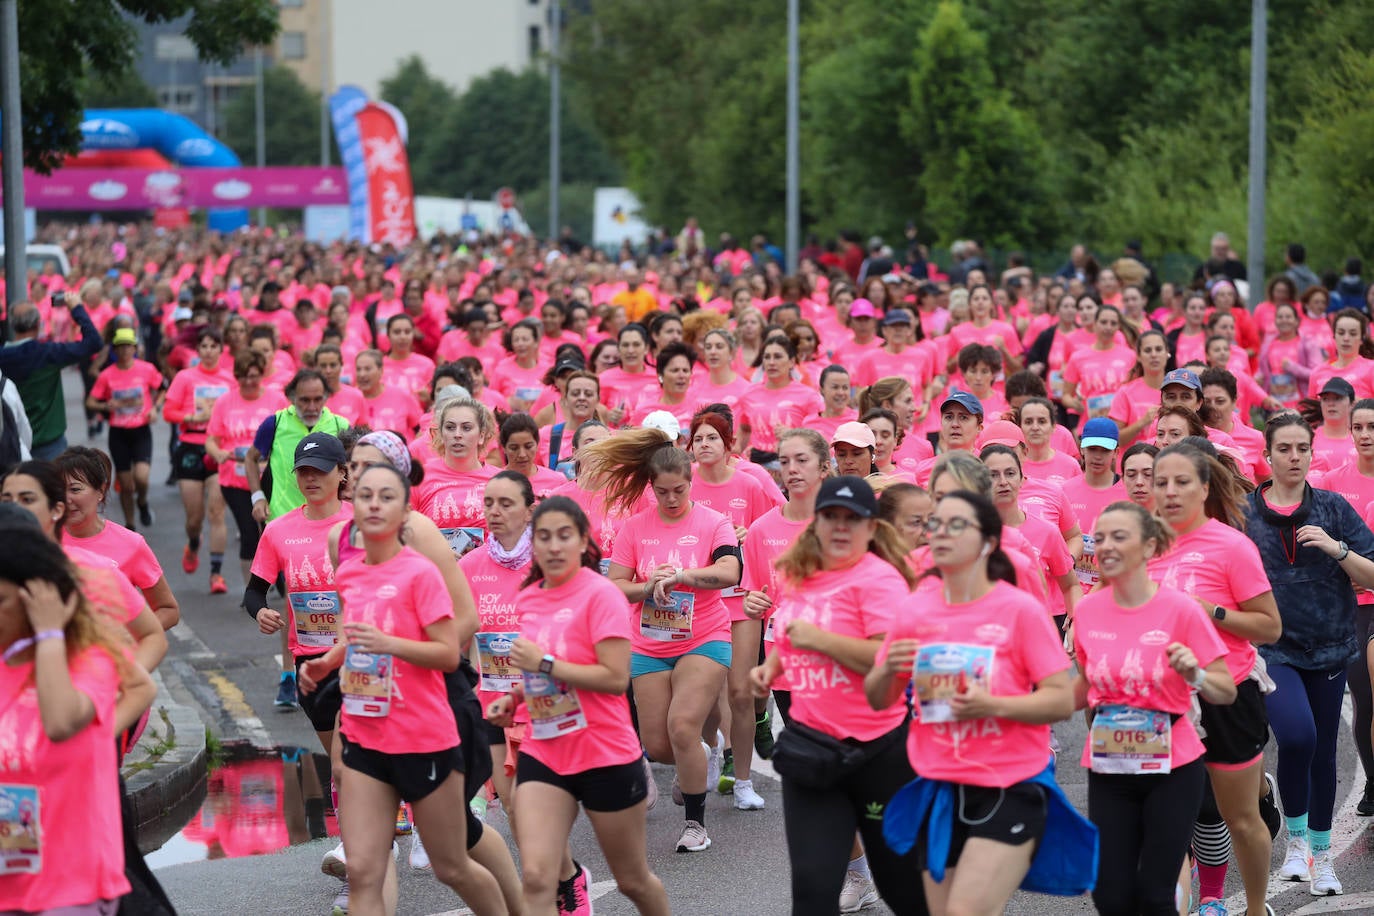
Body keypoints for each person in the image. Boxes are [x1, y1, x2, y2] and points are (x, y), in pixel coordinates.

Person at [298, 464, 509, 916]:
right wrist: (326, 663)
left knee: (452, 866)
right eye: (366, 495)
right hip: (364, 736)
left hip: (422, 739)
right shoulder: (350, 570)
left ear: (404, 511)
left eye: (386, 496)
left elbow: (448, 653)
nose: (374, 504)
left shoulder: (420, 572)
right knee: (365, 875)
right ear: (351, 504)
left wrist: (390, 644)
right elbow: (354, 636)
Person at [865, 489, 1077, 916]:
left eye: (956, 525)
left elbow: (1060, 700)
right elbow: (877, 697)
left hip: (1010, 785)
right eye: (935, 524)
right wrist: (890, 670)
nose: (940, 533)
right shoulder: (915, 609)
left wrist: (994, 706)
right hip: (939, 788)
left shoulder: (1018, 609)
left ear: (988, 541)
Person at [486, 496, 673, 916]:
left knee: (633, 881)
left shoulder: (601, 595)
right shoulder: (529, 596)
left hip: (603, 752)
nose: (553, 546)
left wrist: (545, 663)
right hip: (545, 748)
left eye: (563, 536)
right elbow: (539, 674)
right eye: (544, 537)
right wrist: (513, 698)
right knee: (537, 876)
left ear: (584, 541)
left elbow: (613, 678)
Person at [749, 475, 926, 916]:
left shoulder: (880, 580)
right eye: (831, 516)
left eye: (853, 518)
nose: (841, 527)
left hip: (878, 755)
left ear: (871, 528)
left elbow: (889, 659)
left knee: (903, 889)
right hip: (813, 749)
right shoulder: (800, 573)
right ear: (817, 522)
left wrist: (819, 640)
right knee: (811, 891)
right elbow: (790, 635)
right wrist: (770, 669)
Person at [1072, 501, 1233, 916]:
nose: (1106, 546)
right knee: (1110, 896)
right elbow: (1083, 687)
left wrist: (1195, 673)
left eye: (1119, 536)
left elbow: (1225, 690)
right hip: (1109, 765)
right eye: (1101, 537)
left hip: (1173, 768)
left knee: (1155, 896)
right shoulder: (1087, 610)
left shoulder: (1180, 609)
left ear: (1148, 547)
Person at [592, 428, 742, 853]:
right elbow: (615, 585)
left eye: (678, 490)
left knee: (681, 726)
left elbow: (730, 573)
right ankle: (702, 752)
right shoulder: (635, 527)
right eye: (662, 492)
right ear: (651, 489)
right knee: (658, 746)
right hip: (650, 642)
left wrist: (683, 576)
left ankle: (695, 824)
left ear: (691, 482)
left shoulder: (714, 522)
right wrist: (646, 586)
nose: (671, 499)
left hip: (705, 637)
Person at [1150, 442, 1282, 916]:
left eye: (1182, 482)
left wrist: (1212, 612)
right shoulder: (1141, 546)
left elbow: (1269, 627)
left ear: (1205, 487)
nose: (1169, 492)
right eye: (1160, 482)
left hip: (1228, 694)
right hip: (1160, 702)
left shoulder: (1231, 546)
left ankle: (1254, 907)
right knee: (1163, 822)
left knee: (1240, 818)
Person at [1244, 413, 1374, 896]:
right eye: (1285, 449)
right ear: (1268, 454)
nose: (1294, 457)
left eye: (1302, 448)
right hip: (1273, 646)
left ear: (1312, 453)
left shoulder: (1334, 508)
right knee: (1297, 737)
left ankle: (1320, 856)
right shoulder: (1245, 514)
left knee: (1321, 750)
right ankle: (1295, 841)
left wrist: (1338, 550)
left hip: (1330, 645)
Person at [0, 529, 157, 915]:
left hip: (71, 888)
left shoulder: (89, 662)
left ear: (40, 600)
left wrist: (50, 634)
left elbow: (60, 721)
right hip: (10, 878)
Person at [243, 431, 355, 910]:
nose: (310, 479)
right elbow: (253, 591)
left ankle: (355, 852)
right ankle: (375, 827)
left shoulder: (361, 522)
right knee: (340, 759)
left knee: (350, 761)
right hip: (310, 662)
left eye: (320, 471)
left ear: (342, 474)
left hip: (362, 658)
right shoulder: (280, 530)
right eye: (303, 472)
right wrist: (261, 612)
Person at [687, 410, 781, 806]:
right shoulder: (684, 483)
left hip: (741, 598)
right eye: (699, 438)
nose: (705, 444)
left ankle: (742, 781)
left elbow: (773, 525)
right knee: (706, 695)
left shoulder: (750, 481)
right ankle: (710, 748)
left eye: (713, 438)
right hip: (698, 600)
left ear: (729, 446)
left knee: (740, 692)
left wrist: (749, 532)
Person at [55, 446, 180, 631]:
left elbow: (168, 609)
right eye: (59, 490)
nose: (66, 499)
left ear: (101, 491)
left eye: (75, 489)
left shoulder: (131, 544)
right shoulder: (42, 540)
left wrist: (130, 639)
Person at [206, 351, 289, 590]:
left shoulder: (277, 400)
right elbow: (211, 439)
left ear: (261, 374)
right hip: (234, 480)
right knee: (249, 532)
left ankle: (282, 580)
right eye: (243, 377)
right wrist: (217, 452)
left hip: (271, 478)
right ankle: (251, 589)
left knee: (273, 532)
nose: (249, 381)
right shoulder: (224, 402)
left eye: (253, 376)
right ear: (236, 377)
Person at [162, 326, 235, 583]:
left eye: (213, 346)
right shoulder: (185, 377)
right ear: (198, 350)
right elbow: (168, 412)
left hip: (218, 448)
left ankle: (216, 574)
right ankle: (193, 542)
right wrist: (193, 417)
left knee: (216, 512)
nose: (208, 351)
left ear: (221, 349)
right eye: (203, 346)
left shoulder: (230, 380)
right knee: (194, 518)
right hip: (190, 446)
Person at [0, 297, 101, 460]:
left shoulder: (3, 357)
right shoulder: (49, 353)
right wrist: (76, 308)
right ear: (38, 324)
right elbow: (94, 343)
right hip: (50, 444)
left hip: (12, 444)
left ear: (12, 325)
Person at [85, 326, 162, 528]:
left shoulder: (146, 369)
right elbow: (90, 402)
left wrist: (155, 408)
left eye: (128, 346)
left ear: (134, 348)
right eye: (120, 346)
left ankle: (143, 502)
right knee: (126, 485)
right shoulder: (107, 375)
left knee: (142, 478)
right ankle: (130, 525)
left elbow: (162, 389)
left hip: (141, 431)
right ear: (114, 350)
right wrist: (105, 405)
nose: (125, 350)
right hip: (118, 433)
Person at [414, 396, 500, 557]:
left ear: (481, 435)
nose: (457, 435)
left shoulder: (501, 481)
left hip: (485, 574)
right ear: (440, 433)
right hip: (435, 573)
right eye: (450, 427)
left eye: (466, 428)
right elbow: (402, 534)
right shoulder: (419, 477)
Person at [737, 337, 825, 462]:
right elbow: (745, 429)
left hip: (794, 466)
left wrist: (795, 435)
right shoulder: (748, 394)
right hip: (758, 466)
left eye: (777, 356)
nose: (771, 362)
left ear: (791, 362)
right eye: (767, 357)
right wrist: (737, 450)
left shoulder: (809, 396)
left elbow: (820, 439)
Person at [497, 412, 571, 497]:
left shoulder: (558, 481)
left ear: (537, 444)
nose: (522, 454)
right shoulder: (493, 483)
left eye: (528, 447)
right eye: (514, 448)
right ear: (504, 448)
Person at [355, 349, 423, 437]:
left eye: (367, 369)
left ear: (381, 370)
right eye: (358, 369)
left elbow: (420, 427)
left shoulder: (401, 394)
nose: (362, 374)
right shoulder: (351, 397)